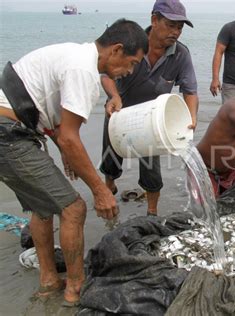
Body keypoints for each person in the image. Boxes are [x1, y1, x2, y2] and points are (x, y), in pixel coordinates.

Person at [0, 19, 148, 305]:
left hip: (14, 129)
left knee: (42, 207)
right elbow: (69, 137)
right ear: (116, 50)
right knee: (74, 208)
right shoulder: (83, 70)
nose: (128, 72)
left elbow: (56, 126)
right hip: (10, 136)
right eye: (130, 63)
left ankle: (49, 280)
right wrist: (100, 190)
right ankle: (76, 288)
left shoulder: (75, 54)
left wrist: (66, 151)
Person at [100, 0, 198, 216]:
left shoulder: (181, 54)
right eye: (171, 25)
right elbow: (106, 74)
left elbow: (190, 91)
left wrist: (191, 118)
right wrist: (114, 96)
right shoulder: (131, 42)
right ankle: (108, 189)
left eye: (180, 28)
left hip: (151, 118)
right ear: (154, 20)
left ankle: (152, 212)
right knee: (111, 159)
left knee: (151, 167)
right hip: (119, 111)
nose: (176, 32)